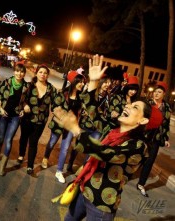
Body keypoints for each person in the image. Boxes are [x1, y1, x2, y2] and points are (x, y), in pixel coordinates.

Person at [53, 54, 162, 221]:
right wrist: (94, 82)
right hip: (84, 190)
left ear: (143, 120)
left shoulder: (139, 146)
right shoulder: (113, 129)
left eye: (134, 108)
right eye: (130, 104)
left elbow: (104, 152)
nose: (127, 107)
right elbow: (93, 113)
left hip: (101, 205)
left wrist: (76, 130)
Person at [41, 70, 85, 183]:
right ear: (74, 82)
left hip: (71, 126)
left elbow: (81, 111)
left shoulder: (81, 97)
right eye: (80, 82)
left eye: (83, 82)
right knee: (52, 142)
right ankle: (46, 157)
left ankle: (59, 171)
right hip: (59, 124)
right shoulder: (62, 94)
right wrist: (65, 118)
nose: (82, 84)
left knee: (65, 148)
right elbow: (54, 108)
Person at [18, 64, 58, 175]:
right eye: (40, 72)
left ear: (48, 75)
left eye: (45, 73)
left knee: (33, 142)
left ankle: (30, 166)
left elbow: (56, 102)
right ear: (36, 73)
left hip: (40, 121)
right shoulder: (29, 86)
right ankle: (21, 155)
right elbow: (22, 99)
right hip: (27, 119)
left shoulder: (51, 89)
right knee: (24, 138)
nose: (43, 74)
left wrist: (57, 111)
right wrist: (24, 105)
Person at [136, 81, 171, 197]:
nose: (156, 94)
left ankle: (141, 184)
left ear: (164, 94)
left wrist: (165, 138)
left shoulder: (166, 107)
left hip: (156, 138)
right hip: (143, 135)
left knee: (149, 161)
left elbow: (166, 124)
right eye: (155, 91)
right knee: (137, 157)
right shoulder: (148, 103)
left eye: (159, 92)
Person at [0, 62, 29, 176]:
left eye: (22, 71)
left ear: (24, 74)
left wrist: (24, 108)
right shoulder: (7, 82)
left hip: (15, 116)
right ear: (14, 72)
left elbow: (25, 101)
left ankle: (2, 166)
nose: (19, 73)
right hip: (4, 114)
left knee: (8, 140)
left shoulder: (26, 86)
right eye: (17, 71)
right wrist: (1, 109)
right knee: (1, 137)